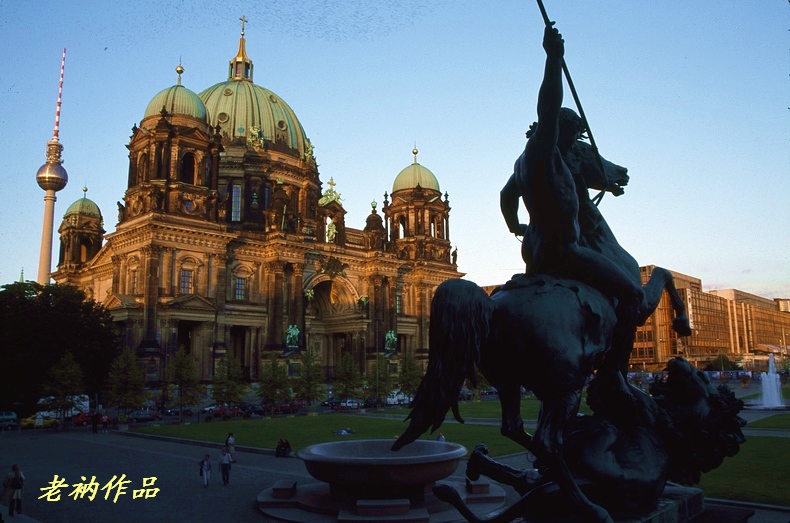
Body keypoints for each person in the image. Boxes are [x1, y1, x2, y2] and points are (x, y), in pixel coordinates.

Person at [499, 23, 644, 392]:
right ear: (565, 132)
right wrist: (553, 59)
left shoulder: (529, 164)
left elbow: (506, 195)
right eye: (576, 135)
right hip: (564, 251)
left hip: (533, 248)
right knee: (633, 293)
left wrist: (515, 226)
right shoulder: (544, 152)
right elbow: (547, 108)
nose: (578, 141)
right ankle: (613, 375)